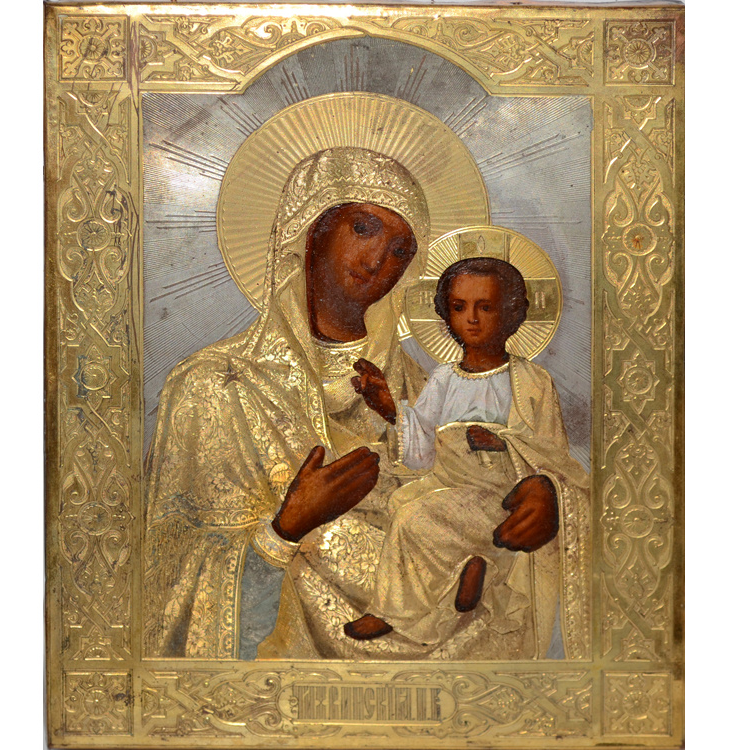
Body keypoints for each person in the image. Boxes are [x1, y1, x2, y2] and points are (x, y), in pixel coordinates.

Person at [144, 147, 584, 661]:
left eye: (400, 251)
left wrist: (549, 498)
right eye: (362, 228)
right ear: (312, 230)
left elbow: (491, 480)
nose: (377, 261)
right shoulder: (214, 386)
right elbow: (170, 594)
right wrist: (286, 529)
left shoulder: (421, 388)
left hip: (449, 684)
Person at [342, 257, 588, 648]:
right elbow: (422, 447)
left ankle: (431, 595)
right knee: (406, 510)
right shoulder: (444, 379)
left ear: (510, 314)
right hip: (449, 485)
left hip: (500, 493)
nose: (471, 319)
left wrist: (504, 442)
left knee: (419, 519)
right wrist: (389, 407)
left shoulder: (533, 381)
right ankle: (461, 576)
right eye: (459, 307)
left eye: (485, 307)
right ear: (447, 314)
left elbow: (553, 455)